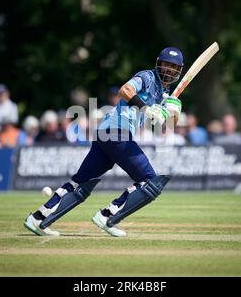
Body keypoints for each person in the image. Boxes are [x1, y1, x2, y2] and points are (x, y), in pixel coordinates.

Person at [24, 46, 184, 237]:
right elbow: (125, 89)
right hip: (116, 132)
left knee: (80, 182)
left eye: (173, 67)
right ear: (158, 63)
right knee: (149, 180)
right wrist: (147, 109)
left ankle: (38, 218)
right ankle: (108, 216)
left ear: (178, 71)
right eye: (166, 65)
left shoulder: (163, 93)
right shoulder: (147, 77)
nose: (169, 70)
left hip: (106, 135)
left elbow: (167, 124)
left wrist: (174, 112)